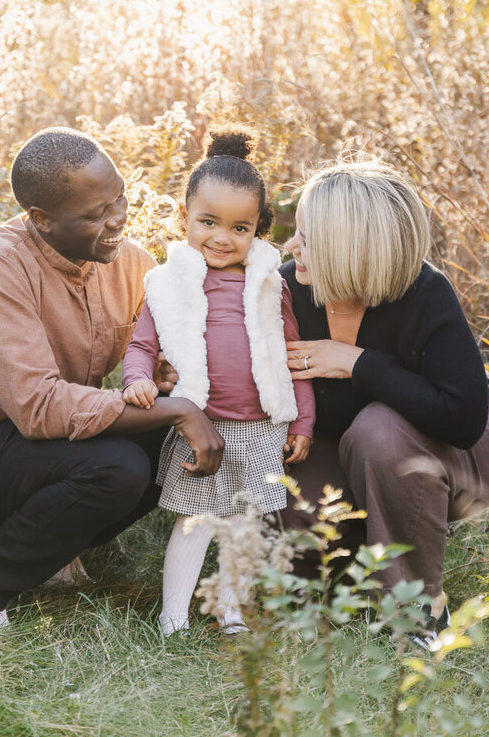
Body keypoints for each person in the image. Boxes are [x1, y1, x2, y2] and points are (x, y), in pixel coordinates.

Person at [0, 127, 224, 633]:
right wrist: (179, 409)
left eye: (120, 199)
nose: (117, 220)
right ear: (41, 220)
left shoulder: (129, 261)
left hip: (36, 444)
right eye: (95, 214)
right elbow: (39, 407)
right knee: (119, 468)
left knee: (164, 442)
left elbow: (167, 355)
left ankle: (48, 553)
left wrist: (174, 377)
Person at [278, 159, 489, 647]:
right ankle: (354, 575)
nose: (290, 246)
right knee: (283, 494)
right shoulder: (288, 289)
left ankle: (420, 606)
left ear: (349, 247)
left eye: (306, 237)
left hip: (467, 449)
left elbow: (461, 417)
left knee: (380, 431)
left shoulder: (424, 292)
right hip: (349, 449)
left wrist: (357, 362)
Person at [120, 129, 315, 636]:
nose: (222, 238)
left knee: (244, 526)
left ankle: (231, 608)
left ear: (258, 230)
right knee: (195, 523)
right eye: (207, 222)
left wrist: (304, 421)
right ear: (184, 218)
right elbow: (142, 345)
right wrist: (138, 379)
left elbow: (292, 359)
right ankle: (173, 617)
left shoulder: (270, 285)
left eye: (240, 227)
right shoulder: (168, 284)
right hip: (199, 424)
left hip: (262, 427)